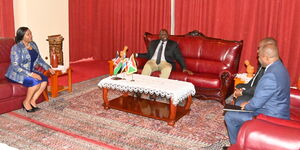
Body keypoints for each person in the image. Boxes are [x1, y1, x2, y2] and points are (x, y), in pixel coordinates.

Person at [224, 43, 290, 144]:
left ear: (266, 58)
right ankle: (245, 140)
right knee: (238, 106)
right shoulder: (281, 68)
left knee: (230, 116)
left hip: (270, 115)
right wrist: (248, 103)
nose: (258, 59)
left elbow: (256, 104)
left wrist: (247, 105)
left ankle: (236, 146)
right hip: (274, 108)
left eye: (259, 57)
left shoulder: (270, 75)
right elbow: (265, 96)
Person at [5, 27, 55, 112]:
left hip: (30, 70)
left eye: (30, 33)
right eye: (28, 34)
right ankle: (26, 102)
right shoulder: (16, 48)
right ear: (22, 36)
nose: (31, 36)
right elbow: (15, 66)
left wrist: (48, 67)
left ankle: (33, 100)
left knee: (44, 80)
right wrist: (31, 74)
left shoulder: (33, 44)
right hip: (17, 73)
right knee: (35, 82)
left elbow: (39, 59)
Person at [233, 38, 277, 106]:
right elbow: (255, 80)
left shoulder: (273, 68)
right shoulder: (264, 61)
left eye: (260, 48)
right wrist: (243, 87)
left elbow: (262, 89)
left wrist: (243, 92)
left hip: (262, 97)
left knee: (239, 104)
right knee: (237, 86)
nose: (257, 51)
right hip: (254, 91)